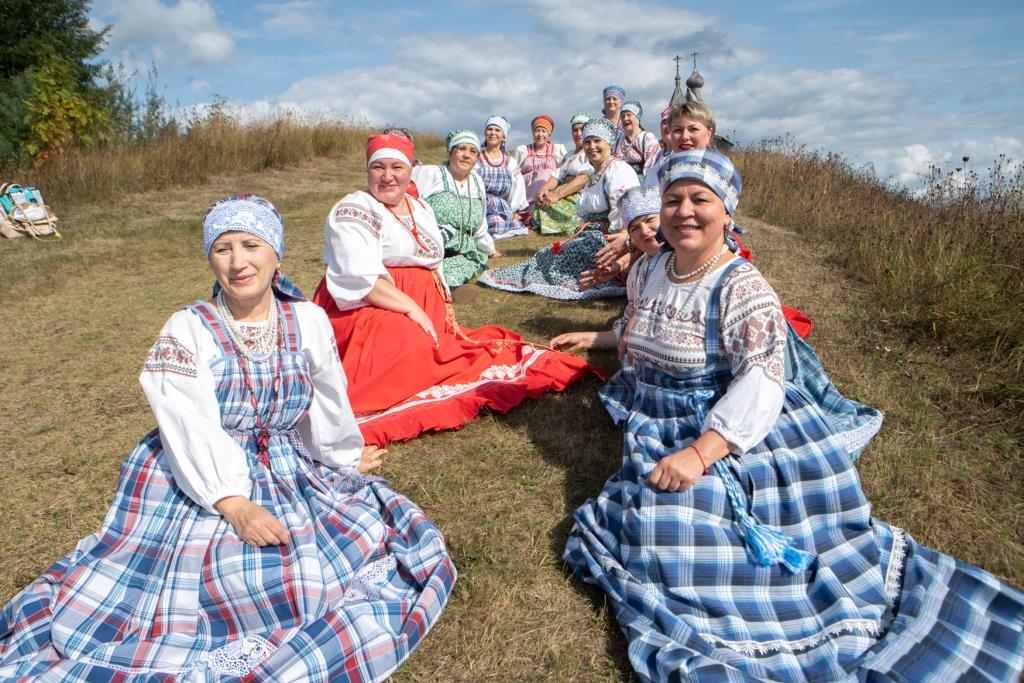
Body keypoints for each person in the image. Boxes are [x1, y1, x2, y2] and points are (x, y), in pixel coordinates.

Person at [562, 150, 1024, 682]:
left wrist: (700, 452)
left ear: (727, 213)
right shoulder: (647, 270)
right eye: (672, 200)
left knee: (678, 532)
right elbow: (642, 328)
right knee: (652, 526)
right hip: (658, 415)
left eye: (699, 200)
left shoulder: (741, 286)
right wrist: (601, 338)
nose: (684, 211)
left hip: (729, 427)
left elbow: (760, 380)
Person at [0, 195, 456, 681]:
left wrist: (341, 457)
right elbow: (187, 424)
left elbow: (326, 403)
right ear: (210, 258)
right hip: (203, 473)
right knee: (233, 575)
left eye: (251, 245)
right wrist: (234, 503)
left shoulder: (306, 320)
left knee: (347, 546)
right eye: (223, 249)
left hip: (286, 462)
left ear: (276, 255)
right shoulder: (188, 328)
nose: (238, 262)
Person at [311, 134, 597, 446]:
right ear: (367, 171)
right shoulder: (355, 209)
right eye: (378, 168)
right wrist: (412, 308)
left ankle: (428, 345)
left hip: (420, 306)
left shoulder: (418, 207)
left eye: (397, 167)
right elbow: (360, 276)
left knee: (442, 349)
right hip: (369, 305)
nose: (388, 176)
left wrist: (436, 300)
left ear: (410, 170)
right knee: (404, 346)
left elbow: (433, 257)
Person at [478, 117, 639, 300]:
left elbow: (626, 214)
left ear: (609, 143)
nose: (591, 146)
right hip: (591, 235)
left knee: (559, 261)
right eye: (587, 142)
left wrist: (621, 248)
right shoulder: (595, 173)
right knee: (547, 253)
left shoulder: (617, 170)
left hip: (610, 242)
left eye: (597, 141)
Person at [412, 129, 494, 288]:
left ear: (477, 158)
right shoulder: (431, 173)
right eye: (461, 148)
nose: (466, 155)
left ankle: (447, 289)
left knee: (461, 267)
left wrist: (489, 249)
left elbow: (480, 224)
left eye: (473, 151)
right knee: (420, 275)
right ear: (451, 152)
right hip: (426, 249)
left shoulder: (477, 182)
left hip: (461, 254)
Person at [531, 112, 594, 236]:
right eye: (575, 130)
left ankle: (575, 225)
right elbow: (558, 175)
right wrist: (544, 189)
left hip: (581, 192)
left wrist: (557, 195)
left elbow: (584, 178)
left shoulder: (591, 152)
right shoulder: (569, 155)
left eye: (582, 129)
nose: (579, 133)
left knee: (552, 206)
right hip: (567, 190)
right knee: (541, 203)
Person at [477, 115, 528, 240]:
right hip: (479, 205)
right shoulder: (476, 158)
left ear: (503, 136)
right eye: (490, 129)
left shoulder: (510, 162)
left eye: (497, 130)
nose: (493, 133)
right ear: (485, 133)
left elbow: (517, 189)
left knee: (496, 223)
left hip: (501, 207)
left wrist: (515, 212)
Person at [514, 114, 567, 207]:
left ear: (549, 134)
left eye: (544, 131)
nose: (540, 134)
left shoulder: (557, 150)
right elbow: (515, 176)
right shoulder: (522, 150)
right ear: (533, 133)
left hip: (548, 197)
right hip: (525, 196)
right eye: (537, 131)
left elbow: (564, 173)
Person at [613, 100, 660, 181]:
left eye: (629, 115)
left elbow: (652, 167)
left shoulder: (647, 138)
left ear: (637, 118)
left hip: (642, 184)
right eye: (622, 116)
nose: (625, 118)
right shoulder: (617, 142)